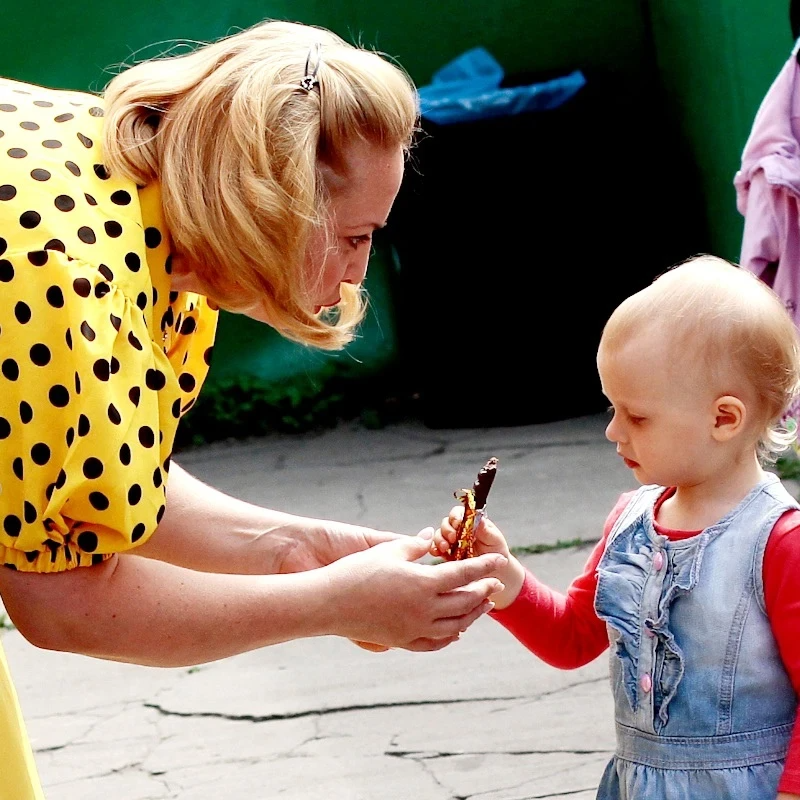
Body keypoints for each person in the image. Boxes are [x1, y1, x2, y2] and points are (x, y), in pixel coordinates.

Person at [0, 18, 508, 799]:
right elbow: (55, 600)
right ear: (274, 205)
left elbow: (79, 474)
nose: (352, 276)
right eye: (354, 235)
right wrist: (334, 603)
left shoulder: (153, 197)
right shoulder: (63, 280)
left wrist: (301, 549)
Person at [432, 254, 800, 799]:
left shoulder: (781, 543)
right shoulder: (630, 521)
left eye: (637, 416)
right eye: (612, 408)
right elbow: (573, 638)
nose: (612, 431)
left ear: (724, 418)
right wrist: (502, 573)